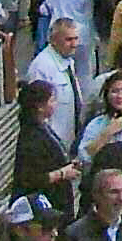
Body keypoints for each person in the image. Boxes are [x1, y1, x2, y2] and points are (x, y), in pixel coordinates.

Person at [14, 78, 81, 221]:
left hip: (59, 199)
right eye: (52, 100)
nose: (55, 104)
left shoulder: (43, 127)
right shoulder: (31, 137)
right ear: (40, 106)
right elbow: (31, 179)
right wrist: (62, 173)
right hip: (45, 205)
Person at [28, 11, 93, 153]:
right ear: (53, 40)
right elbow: (36, 112)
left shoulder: (67, 61)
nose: (74, 44)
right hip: (51, 147)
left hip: (69, 141)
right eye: (68, 39)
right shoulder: (42, 67)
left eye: (76, 39)